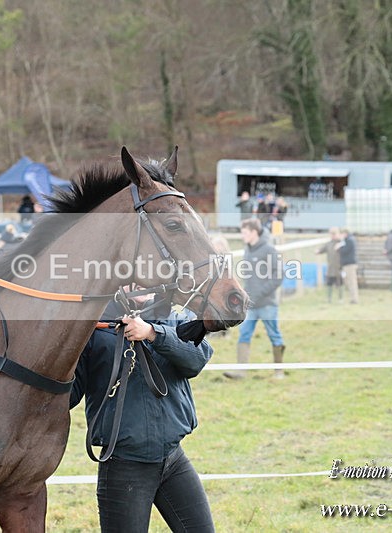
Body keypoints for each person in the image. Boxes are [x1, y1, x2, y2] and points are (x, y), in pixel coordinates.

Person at [70, 292, 215, 532]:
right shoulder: (93, 322)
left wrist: (153, 333)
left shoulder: (172, 312)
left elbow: (197, 359)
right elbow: (69, 394)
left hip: (173, 458)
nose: (140, 282)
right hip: (124, 465)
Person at [225, 218, 285, 380]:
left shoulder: (269, 250)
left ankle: (279, 372)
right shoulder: (247, 250)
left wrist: (260, 293)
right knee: (244, 335)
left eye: (244, 233)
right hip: (250, 304)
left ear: (253, 232)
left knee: (274, 335)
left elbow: (279, 275)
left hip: (267, 304)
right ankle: (241, 372)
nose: (242, 235)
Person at [316, 227, 343, 303]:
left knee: (339, 283)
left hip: (339, 267)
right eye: (332, 234)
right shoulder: (329, 244)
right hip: (330, 267)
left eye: (334, 234)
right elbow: (322, 249)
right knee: (329, 283)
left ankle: (340, 298)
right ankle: (329, 298)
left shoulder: (341, 243)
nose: (333, 236)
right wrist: (318, 251)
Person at [337, 228, 359, 304]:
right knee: (348, 281)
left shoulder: (349, 241)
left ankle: (354, 299)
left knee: (352, 282)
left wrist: (338, 248)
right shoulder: (347, 241)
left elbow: (345, 251)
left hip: (350, 264)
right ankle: (352, 298)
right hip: (347, 264)